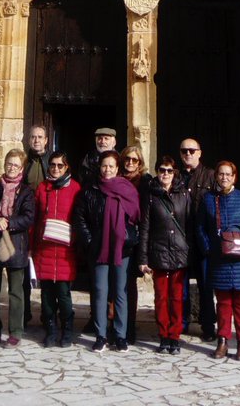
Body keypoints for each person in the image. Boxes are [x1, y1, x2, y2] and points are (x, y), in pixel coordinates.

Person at [74, 150, 140, 353]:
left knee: (120, 292)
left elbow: (137, 216)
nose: (108, 169)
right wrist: (90, 241)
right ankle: (101, 335)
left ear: (118, 168)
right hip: (99, 249)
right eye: (104, 166)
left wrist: (129, 236)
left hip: (123, 249)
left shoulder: (127, 189)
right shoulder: (90, 190)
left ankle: (120, 335)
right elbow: (80, 218)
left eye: (111, 166)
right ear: (99, 167)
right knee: (100, 291)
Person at [197, 160, 240, 361]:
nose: (224, 177)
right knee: (223, 303)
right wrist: (208, 247)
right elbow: (200, 227)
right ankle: (222, 340)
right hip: (220, 259)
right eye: (221, 174)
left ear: (234, 177)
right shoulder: (208, 199)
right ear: (216, 176)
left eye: (228, 174)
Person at [0, 149, 35, 347]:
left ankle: (16, 331)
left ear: (22, 168)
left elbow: (29, 217)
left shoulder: (27, 191)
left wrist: (9, 222)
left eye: (16, 165)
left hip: (16, 245)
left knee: (16, 292)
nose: (11, 168)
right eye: (9, 164)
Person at [138, 155, 190, 355]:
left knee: (176, 298)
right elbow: (145, 228)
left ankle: (175, 336)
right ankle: (163, 335)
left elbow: (189, 225)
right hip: (158, 252)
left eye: (169, 170)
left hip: (178, 252)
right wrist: (143, 259)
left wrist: (189, 250)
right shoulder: (151, 196)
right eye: (162, 170)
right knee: (161, 298)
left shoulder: (183, 194)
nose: (165, 174)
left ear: (174, 172)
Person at [31, 150, 81, 347]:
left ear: (67, 167)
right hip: (44, 247)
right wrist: (32, 245)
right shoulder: (43, 188)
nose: (56, 169)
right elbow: (35, 218)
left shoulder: (75, 188)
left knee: (63, 293)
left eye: (60, 165)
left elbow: (79, 218)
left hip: (65, 249)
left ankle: (67, 329)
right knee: (47, 294)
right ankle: (50, 329)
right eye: (53, 165)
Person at [179, 137, 215, 340]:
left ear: (200, 153)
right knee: (181, 286)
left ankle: (208, 326)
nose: (188, 154)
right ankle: (182, 323)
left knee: (206, 285)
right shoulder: (174, 176)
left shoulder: (210, 176)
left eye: (192, 150)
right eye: (184, 151)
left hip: (203, 240)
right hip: (181, 241)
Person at [119, 144, 152, 344]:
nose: (130, 163)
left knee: (129, 285)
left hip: (135, 237)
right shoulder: (114, 180)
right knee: (115, 284)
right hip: (116, 237)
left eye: (135, 160)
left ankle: (129, 326)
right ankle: (115, 325)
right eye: (127, 159)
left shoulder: (146, 183)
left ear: (140, 163)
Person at [23, 124, 51, 326]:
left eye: (40, 137)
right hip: (27, 219)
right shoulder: (23, 161)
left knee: (47, 267)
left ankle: (47, 312)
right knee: (25, 266)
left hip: (47, 220)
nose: (36, 140)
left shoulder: (54, 161)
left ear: (46, 140)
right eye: (33, 137)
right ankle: (24, 312)